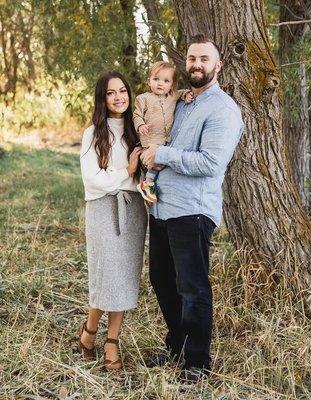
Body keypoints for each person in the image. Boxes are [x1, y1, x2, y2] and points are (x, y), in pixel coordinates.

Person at [141, 34, 244, 384]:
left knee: (192, 287)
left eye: (204, 59)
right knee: (161, 280)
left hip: (193, 211)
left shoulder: (224, 109)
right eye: (191, 58)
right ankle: (178, 346)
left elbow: (212, 162)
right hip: (162, 208)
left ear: (218, 65)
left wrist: (162, 155)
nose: (196, 64)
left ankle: (198, 360)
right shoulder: (182, 103)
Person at [78, 71, 147, 370]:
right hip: (103, 207)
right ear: (102, 98)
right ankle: (90, 329)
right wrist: (126, 172)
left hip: (133, 209)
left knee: (124, 277)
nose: (119, 97)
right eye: (111, 92)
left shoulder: (136, 130)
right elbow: (92, 179)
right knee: (105, 274)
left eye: (123, 91)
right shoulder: (93, 133)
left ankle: (112, 341)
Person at [133, 61, 193, 203]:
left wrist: (186, 96)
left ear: (171, 85)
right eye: (156, 79)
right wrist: (140, 125)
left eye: (166, 81)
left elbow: (182, 92)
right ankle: (147, 184)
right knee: (155, 164)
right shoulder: (143, 98)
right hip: (150, 139)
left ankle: (150, 184)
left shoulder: (173, 96)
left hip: (166, 140)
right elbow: (136, 115)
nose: (160, 84)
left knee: (162, 164)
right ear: (149, 81)